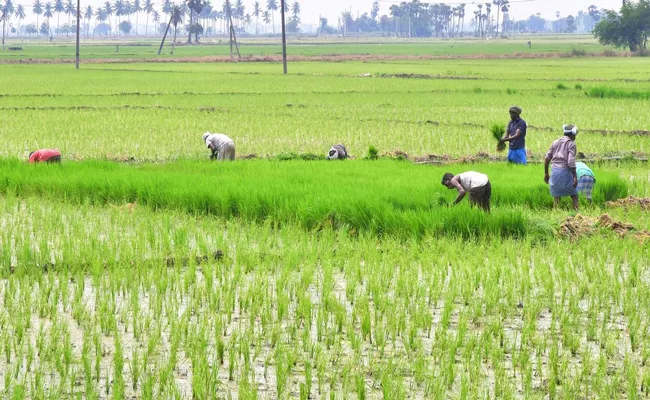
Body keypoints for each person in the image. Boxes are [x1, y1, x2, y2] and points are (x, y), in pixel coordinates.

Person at [544, 125, 579, 211]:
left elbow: (547, 158)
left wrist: (546, 173)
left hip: (554, 172)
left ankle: (555, 213)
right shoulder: (571, 144)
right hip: (565, 172)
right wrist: (575, 176)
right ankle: (576, 213)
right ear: (573, 134)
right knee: (574, 195)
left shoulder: (555, 142)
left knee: (556, 196)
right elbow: (570, 161)